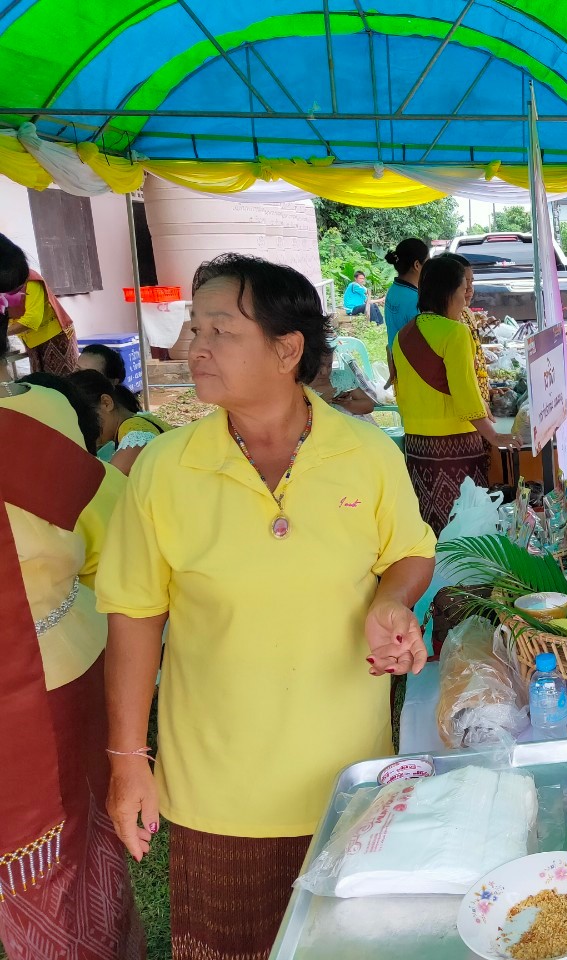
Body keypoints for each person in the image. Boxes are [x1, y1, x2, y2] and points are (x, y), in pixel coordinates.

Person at [96, 254, 436, 960]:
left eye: (220, 330)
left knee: (351, 944)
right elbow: (133, 615)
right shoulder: (164, 468)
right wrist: (129, 758)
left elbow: (409, 552)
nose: (195, 348)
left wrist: (392, 600)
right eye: (195, 330)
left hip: (346, 779)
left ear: (287, 350)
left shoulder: (368, 454)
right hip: (217, 788)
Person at [0, 368, 145, 960]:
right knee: (75, 848)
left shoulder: (37, 413)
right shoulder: (44, 409)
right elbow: (108, 523)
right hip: (61, 651)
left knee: (56, 855)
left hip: (42, 677)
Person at [394, 255, 509, 532]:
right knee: (465, 525)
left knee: (432, 523)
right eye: (462, 290)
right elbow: (466, 396)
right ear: (448, 293)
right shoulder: (455, 333)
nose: (464, 297)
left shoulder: (403, 334)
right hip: (455, 444)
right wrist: (494, 436)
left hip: (418, 446)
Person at [68, 368, 174, 474]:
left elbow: (109, 485)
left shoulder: (135, 433)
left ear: (106, 403)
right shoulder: (138, 422)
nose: (82, 430)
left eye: (83, 420)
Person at [1, 233, 79, 375]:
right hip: (32, 340)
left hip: (53, 337)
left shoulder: (30, 280)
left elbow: (32, 320)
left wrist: (3, 332)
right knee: (42, 382)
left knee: (60, 384)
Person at [437, 252, 493, 406]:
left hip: (479, 400)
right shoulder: (447, 324)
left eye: (471, 281)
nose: (469, 288)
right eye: (464, 282)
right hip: (466, 407)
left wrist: (487, 389)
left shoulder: (467, 313)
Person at [382, 237, 429, 357]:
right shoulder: (416, 299)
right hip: (411, 366)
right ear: (417, 265)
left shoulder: (393, 290)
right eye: (428, 262)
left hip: (397, 361)